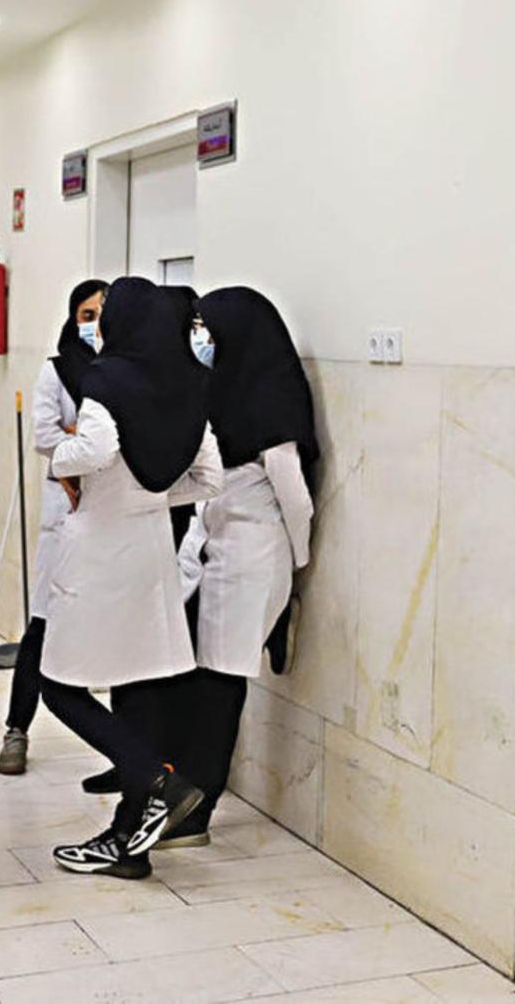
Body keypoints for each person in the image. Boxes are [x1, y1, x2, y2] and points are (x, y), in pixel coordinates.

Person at [40, 276, 223, 880]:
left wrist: (59, 463)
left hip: (100, 550)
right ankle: (128, 843)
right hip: (150, 555)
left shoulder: (105, 377)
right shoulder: (191, 382)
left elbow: (93, 448)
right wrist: (152, 497)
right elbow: (210, 478)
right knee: (138, 689)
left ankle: (156, 780)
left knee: (57, 685)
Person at [164, 285, 317, 847]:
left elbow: (296, 499)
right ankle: (180, 789)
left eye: (207, 330)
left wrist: (298, 562)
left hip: (254, 557)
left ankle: (197, 810)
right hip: (211, 549)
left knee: (220, 686)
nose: (200, 340)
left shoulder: (271, 401)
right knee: (197, 679)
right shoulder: (218, 389)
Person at [0, 277, 108, 776]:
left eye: (103, 315)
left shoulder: (124, 369)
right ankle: (16, 729)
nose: (94, 325)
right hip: (64, 512)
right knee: (42, 622)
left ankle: (122, 746)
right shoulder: (57, 370)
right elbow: (44, 435)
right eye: (86, 316)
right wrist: (84, 443)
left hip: (111, 513)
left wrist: (76, 437)